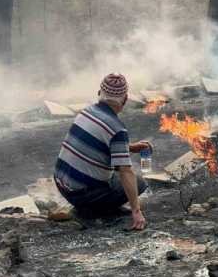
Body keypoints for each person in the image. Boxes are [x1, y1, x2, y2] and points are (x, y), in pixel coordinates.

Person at [53, 73, 151, 230]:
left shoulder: (86, 112)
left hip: (62, 184)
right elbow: (125, 172)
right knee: (139, 183)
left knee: (118, 176)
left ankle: (93, 203)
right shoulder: (116, 129)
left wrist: (129, 148)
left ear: (99, 94)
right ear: (125, 99)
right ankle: (95, 209)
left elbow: (99, 144)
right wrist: (136, 211)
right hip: (81, 195)